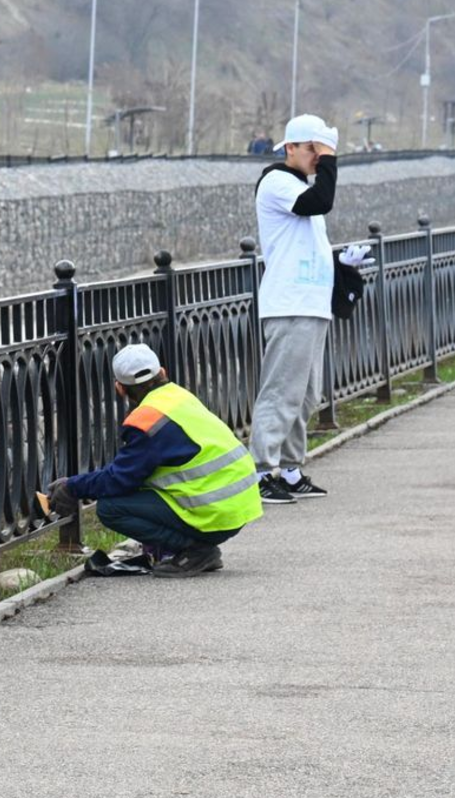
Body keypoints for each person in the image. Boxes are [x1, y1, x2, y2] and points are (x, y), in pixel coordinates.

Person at [48, 344, 263, 577]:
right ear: (163, 372)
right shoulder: (179, 396)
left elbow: (119, 479)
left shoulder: (148, 420)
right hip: (240, 506)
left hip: (215, 514)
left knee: (110, 509)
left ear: (120, 389)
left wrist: (72, 487)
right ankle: (194, 548)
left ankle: (195, 551)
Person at [251, 113, 362, 505]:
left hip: (310, 303)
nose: (319, 158)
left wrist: (343, 266)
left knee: (305, 394)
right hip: (289, 303)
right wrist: (331, 159)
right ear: (291, 147)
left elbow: (308, 246)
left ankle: (291, 468)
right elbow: (322, 201)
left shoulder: (299, 189)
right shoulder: (277, 182)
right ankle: (262, 471)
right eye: (313, 149)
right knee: (281, 390)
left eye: (323, 151)